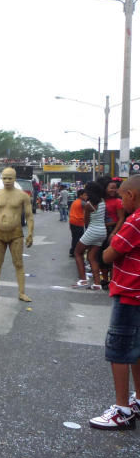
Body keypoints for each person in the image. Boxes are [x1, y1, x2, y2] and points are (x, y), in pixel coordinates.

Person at [89, 176, 140, 430]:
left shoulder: (136, 221)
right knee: (136, 348)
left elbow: (108, 254)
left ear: (131, 195)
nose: (120, 201)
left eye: (122, 196)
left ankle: (122, 409)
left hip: (130, 292)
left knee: (119, 350)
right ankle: (138, 400)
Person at [0, 167, 34, 302]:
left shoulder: (23, 195)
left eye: (10, 178)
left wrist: (30, 233)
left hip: (16, 233)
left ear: (14, 178)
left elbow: (29, 215)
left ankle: (21, 292)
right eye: (4, 178)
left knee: (18, 263)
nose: (7, 181)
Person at [72, 181, 107, 289]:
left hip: (93, 230)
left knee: (77, 253)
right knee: (92, 257)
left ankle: (83, 280)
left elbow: (86, 222)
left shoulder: (89, 205)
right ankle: (97, 283)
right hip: (102, 231)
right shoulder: (102, 201)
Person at [69, 189, 86, 257]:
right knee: (78, 238)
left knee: (74, 237)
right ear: (81, 195)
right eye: (85, 195)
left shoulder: (75, 201)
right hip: (78, 222)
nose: (86, 196)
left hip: (72, 221)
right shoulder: (83, 203)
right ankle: (75, 252)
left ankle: (73, 251)